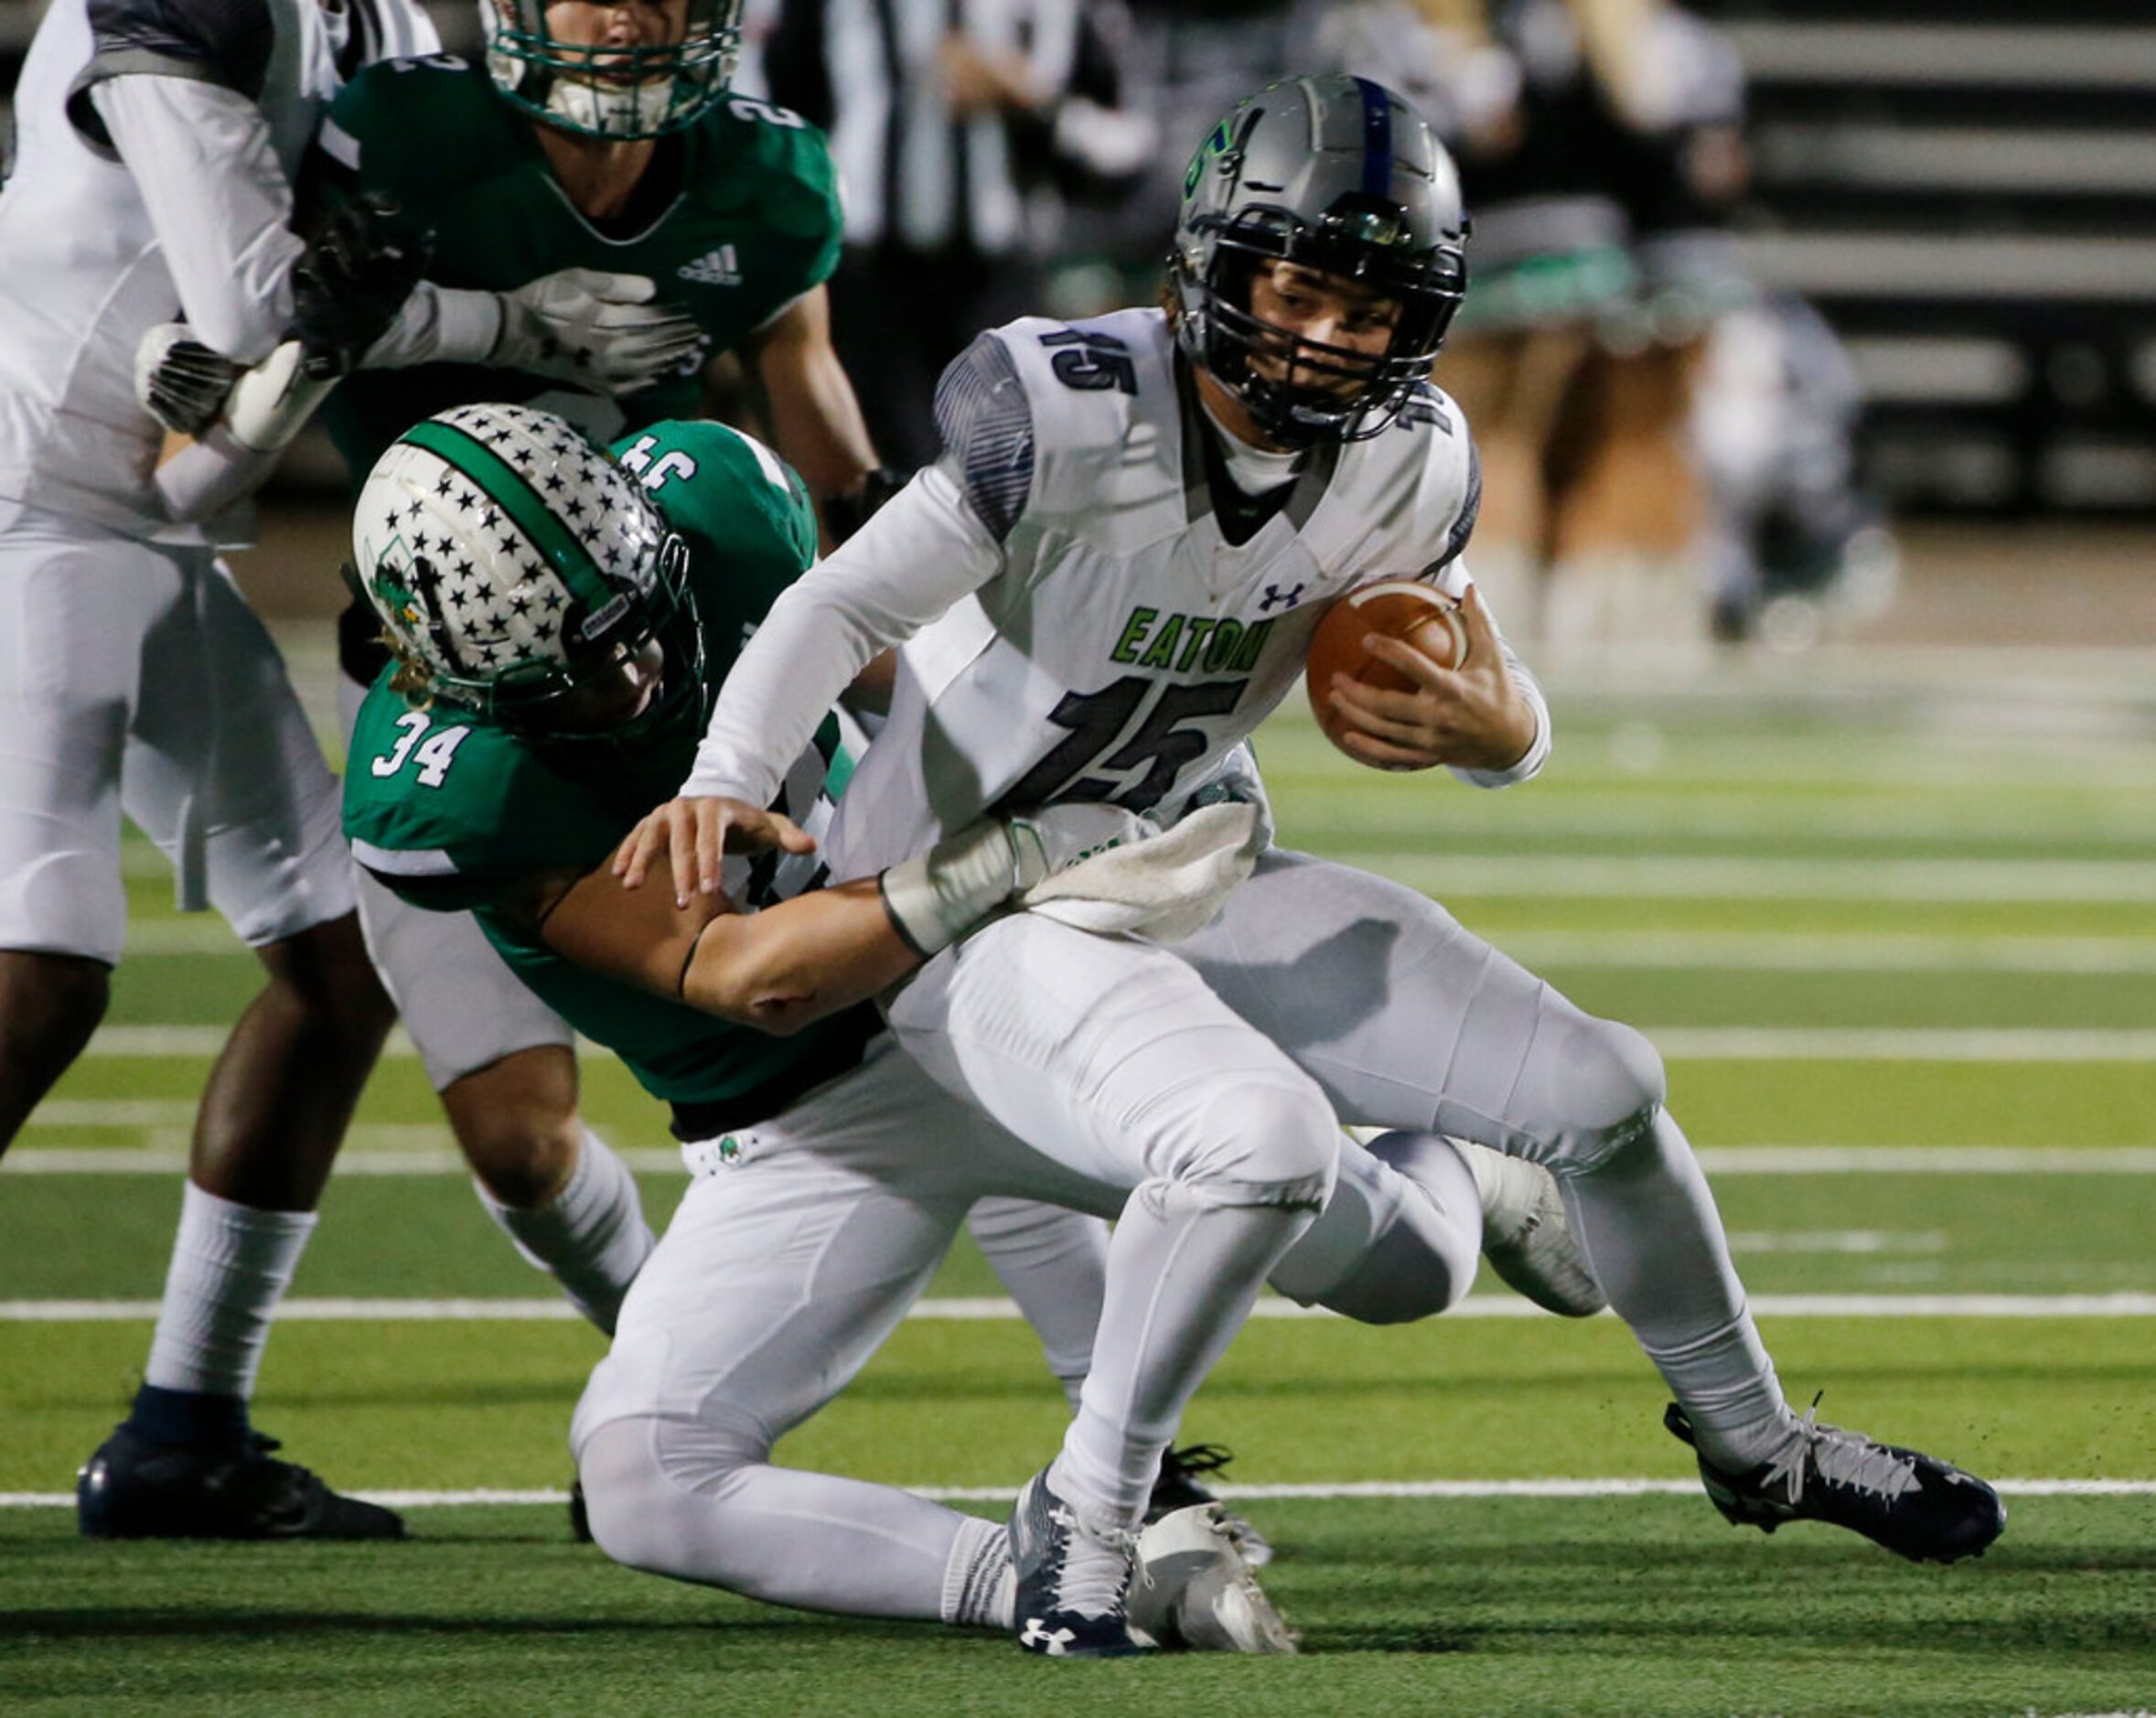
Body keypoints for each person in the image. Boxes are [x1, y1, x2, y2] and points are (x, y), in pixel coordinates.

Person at [616, 73, 2009, 1652]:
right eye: (1299, 287)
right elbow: (839, 606)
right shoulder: (1067, 407)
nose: (1332, 336)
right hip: (978, 911)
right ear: (1211, 264)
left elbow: (1471, 667)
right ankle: (1089, 1510)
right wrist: (730, 777)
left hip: (1188, 864)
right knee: (1260, 1142)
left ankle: (1759, 1443)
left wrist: (1514, 734)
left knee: (1603, 1091)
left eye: (1374, 304)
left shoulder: (1407, 458)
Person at [344, 399, 1604, 1654]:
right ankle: (1053, 1570)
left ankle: (1455, 1169)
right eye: (574, 670)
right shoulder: (453, 785)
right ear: (427, 673)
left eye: (635, 616)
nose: (634, 677)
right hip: (799, 1114)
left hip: (981, 990)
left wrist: (1097, 773)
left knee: (1408, 1268)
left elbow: (926, 678)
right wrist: (1020, 847)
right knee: (640, 1478)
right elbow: (748, 975)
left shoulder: (712, 507)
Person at [0, 0, 445, 1541]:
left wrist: (297, 351)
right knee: (39, 974)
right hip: (24, 504)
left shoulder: (356, 13)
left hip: (128, 517)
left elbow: (233, 418)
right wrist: (310, 339)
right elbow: (265, 319)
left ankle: (184, 1428)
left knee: (338, 957)